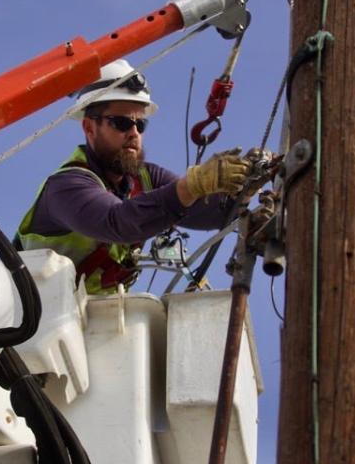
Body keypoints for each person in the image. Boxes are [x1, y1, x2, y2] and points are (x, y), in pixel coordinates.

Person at [15, 59, 251, 295]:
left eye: (140, 124)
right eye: (121, 123)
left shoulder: (145, 178)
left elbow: (207, 211)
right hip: (40, 320)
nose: (134, 133)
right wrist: (192, 185)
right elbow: (117, 222)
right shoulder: (66, 187)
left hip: (98, 320)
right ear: (89, 128)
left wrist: (245, 189)